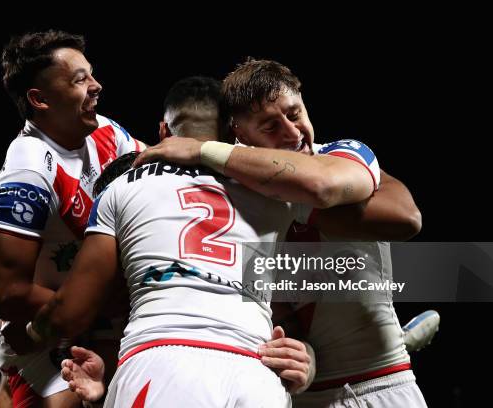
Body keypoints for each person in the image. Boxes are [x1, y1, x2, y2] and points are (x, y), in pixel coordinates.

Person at [25, 75, 381, 407]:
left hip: (159, 358)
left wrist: (33, 329)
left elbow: (73, 310)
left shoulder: (123, 185)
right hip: (255, 371)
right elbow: (400, 219)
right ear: (233, 133)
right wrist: (307, 355)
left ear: (164, 131)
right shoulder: (275, 187)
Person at [132, 59, 428, 407]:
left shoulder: (340, 154)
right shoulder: (234, 202)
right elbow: (279, 318)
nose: (292, 132)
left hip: (382, 386)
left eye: (295, 113)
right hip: (297, 399)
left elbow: (403, 218)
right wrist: (304, 357)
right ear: (239, 134)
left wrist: (205, 151)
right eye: (271, 126)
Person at [0, 29, 144, 408]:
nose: (96, 86)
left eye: (91, 74)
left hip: (89, 323)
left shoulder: (104, 131)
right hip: (43, 340)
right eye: (79, 79)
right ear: (39, 99)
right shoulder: (29, 169)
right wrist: (100, 301)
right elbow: (1, 293)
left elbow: (159, 176)